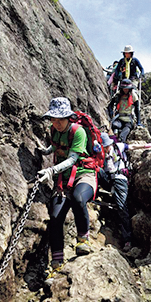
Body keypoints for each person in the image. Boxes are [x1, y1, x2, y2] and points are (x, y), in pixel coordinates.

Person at [37, 97, 97, 282]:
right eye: (53, 119)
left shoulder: (78, 132)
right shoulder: (53, 130)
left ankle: (83, 239)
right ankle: (56, 263)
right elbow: (55, 146)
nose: (57, 122)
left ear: (69, 117)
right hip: (62, 179)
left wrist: (51, 170)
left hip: (84, 174)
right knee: (55, 218)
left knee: (79, 198)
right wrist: (45, 151)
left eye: (60, 119)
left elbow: (72, 159)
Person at [98, 132, 151, 252]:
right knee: (96, 169)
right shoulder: (101, 153)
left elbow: (132, 147)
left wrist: (147, 146)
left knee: (122, 207)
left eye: (107, 145)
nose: (106, 147)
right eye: (104, 146)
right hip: (108, 179)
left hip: (120, 179)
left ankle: (127, 239)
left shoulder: (118, 147)